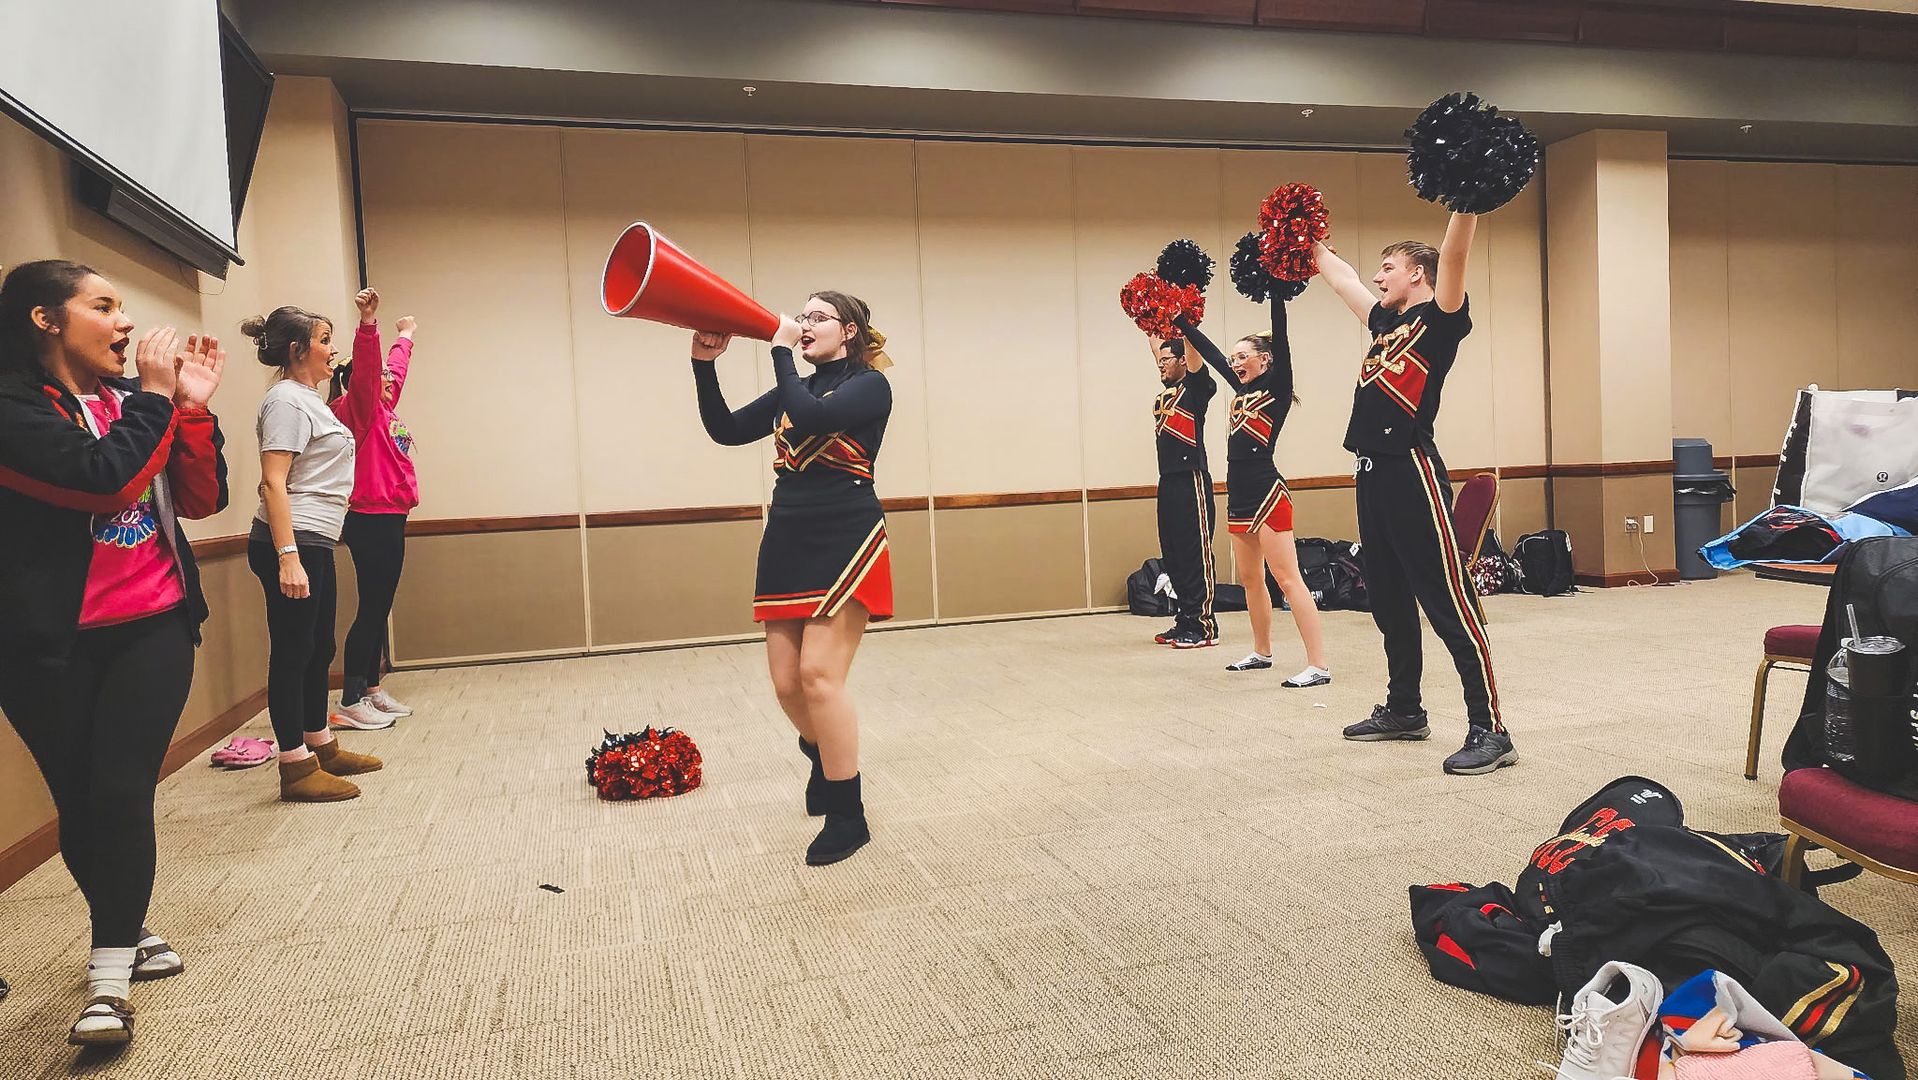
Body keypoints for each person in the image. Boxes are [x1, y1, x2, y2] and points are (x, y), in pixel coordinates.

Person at [0, 259, 229, 1045]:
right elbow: (104, 480)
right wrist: (160, 399)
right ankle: (127, 927)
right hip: (44, 645)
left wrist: (189, 412)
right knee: (82, 801)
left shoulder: (135, 401)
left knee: (123, 790)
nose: (127, 322)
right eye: (105, 305)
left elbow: (200, 498)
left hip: (151, 626)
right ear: (45, 320)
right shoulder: (11, 405)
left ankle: (106, 985)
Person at [689, 291, 893, 866]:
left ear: (848, 331)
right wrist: (704, 363)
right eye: (800, 318)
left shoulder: (868, 385)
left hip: (847, 537)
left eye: (817, 318)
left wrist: (780, 353)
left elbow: (815, 417)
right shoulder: (792, 388)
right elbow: (725, 429)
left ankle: (848, 814)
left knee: (819, 676)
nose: (803, 326)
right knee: (785, 684)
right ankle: (824, 759)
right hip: (786, 538)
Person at [1313, 215, 1516, 775]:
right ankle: (1405, 708)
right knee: (1389, 601)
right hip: (1370, 474)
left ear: (1418, 275)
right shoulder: (1385, 324)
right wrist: (1304, 242)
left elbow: (1454, 260)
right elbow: (1342, 278)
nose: (1379, 277)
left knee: (1447, 598)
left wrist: (1465, 203)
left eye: (1389, 267)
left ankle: (1490, 726)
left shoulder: (1439, 320)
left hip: (1412, 470)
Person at [242, 305, 384, 802]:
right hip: (291, 541)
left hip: (315, 539)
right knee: (293, 653)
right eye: (325, 339)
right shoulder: (285, 401)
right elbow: (273, 481)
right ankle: (294, 766)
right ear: (297, 349)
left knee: (319, 648)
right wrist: (287, 556)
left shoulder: (311, 399)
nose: (333, 349)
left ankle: (318, 743)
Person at [1176, 302, 1330, 686]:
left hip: (1267, 493)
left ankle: (1318, 664)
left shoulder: (1276, 389)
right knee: (1250, 579)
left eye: (1243, 357)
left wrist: (1276, 292)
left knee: (1288, 579)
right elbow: (1209, 354)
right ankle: (1262, 651)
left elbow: (1283, 333)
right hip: (1239, 496)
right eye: (1234, 359)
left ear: (1264, 360)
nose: (1236, 363)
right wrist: (1179, 320)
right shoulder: (1239, 388)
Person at [327, 288, 418, 730]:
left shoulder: (384, 408)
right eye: (376, 379)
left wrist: (407, 337)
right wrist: (369, 325)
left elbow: (394, 373)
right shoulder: (355, 411)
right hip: (369, 516)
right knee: (372, 606)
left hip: (390, 515)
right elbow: (368, 374)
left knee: (380, 604)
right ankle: (349, 698)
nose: (386, 382)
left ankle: (372, 688)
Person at [1146, 336, 1219, 649]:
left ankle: (1203, 625)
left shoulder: (1195, 389)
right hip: (1168, 481)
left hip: (1192, 480)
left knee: (1194, 555)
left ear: (1181, 361)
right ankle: (1185, 620)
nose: (1161, 365)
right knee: (1173, 554)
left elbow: (1193, 351)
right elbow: (1155, 346)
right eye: (1159, 361)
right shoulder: (1166, 392)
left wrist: (1183, 323)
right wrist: (1149, 319)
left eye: (1167, 360)